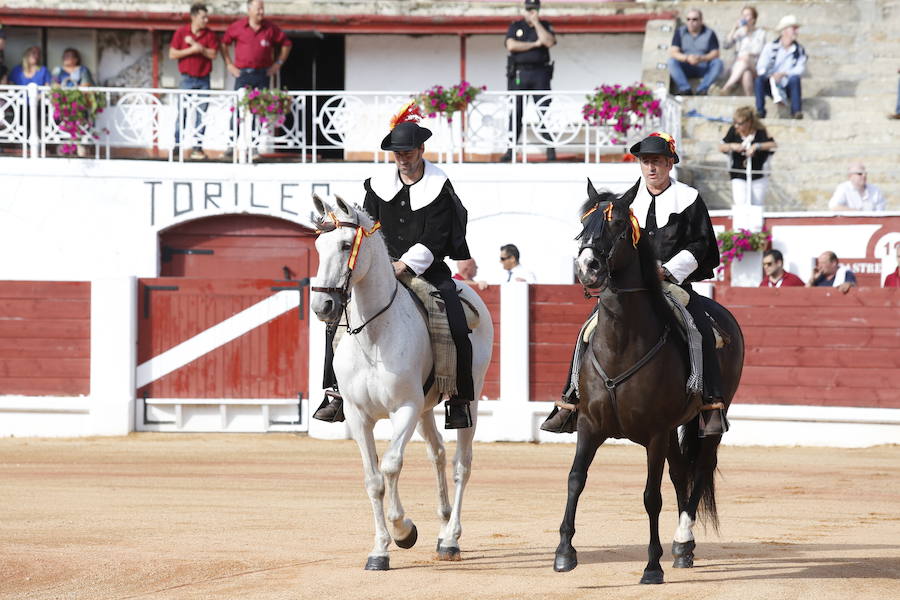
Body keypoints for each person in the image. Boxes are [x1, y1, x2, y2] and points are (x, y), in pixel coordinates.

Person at [542, 131, 726, 436]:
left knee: (699, 328)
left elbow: (702, 245)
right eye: (645, 162)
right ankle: (570, 401)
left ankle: (711, 402)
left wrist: (667, 270)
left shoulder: (689, 198)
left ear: (669, 163)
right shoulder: (624, 202)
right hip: (630, 288)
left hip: (671, 284)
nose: (650, 168)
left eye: (656, 161)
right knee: (587, 330)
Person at [314, 105, 475, 430]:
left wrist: (405, 263)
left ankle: (458, 399)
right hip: (380, 267)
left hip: (426, 269)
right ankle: (334, 393)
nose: (402, 157)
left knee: (455, 320)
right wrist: (382, 263)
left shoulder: (439, 187)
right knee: (338, 319)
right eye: (397, 152)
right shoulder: (377, 186)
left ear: (421, 150)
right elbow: (369, 229)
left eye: (408, 151)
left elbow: (438, 235)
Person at [502, 0, 557, 162]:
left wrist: (537, 23)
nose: (531, 12)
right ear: (524, 10)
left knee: (543, 111)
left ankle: (550, 149)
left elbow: (548, 42)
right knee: (516, 113)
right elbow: (511, 46)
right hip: (519, 74)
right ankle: (511, 150)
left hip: (540, 74)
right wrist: (534, 44)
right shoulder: (515, 26)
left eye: (534, 9)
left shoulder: (545, 25)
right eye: (529, 9)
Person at [170, 3, 219, 160]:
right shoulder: (181, 32)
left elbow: (213, 54)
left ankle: (197, 147)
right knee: (182, 113)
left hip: (204, 79)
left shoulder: (210, 35)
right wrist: (191, 49)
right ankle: (177, 145)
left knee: (201, 114)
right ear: (193, 17)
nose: (206, 20)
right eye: (203, 17)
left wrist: (200, 48)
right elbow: (172, 54)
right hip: (186, 79)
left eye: (207, 17)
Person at [221, 0, 292, 91]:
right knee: (241, 103)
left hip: (263, 74)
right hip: (243, 74)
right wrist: (229, 64)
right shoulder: (238, 27)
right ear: (249, 10)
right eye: (258, 9)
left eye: (262, 9)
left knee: (262, 104)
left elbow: (287, 44)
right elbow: (223, 43)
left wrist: (278, 64)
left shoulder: (270, 28)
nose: (261, 12)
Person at [718, 106, 777, 206]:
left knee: (757, 204)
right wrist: (733, 146)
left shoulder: (760, 131)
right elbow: (721, 147)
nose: (736, 126)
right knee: (740, 202)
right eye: (735, 122)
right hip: (738, 173)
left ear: (749, 122)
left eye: (740, 124)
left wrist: (756, 146)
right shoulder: (734, 131)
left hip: (758, 173)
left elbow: (773, 144)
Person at [755, 15, 806, 119]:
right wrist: (771, 77)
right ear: (784, 31)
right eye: (794, 28)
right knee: (759, 80)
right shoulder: (770, 47)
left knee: (795, 79)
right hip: (771, 83)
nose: (796, 31)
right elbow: (761, 66)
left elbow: (800, 69)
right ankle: (760, 111)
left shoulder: (799, 50)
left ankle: (796, 111)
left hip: (788, 85)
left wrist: (783, 74)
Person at [667, 8, 724, 96]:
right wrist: (687, 58)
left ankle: (702, 89)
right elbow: (674, 52)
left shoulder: (710, 33)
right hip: (686, 66)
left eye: (694, 19)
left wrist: (701, 58)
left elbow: (716, 53)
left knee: (718, 63)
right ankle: (685, 89)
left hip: (703, 67)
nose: (691, 22)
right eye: (688, 19)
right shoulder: (680, 32)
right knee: (671, 62)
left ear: (701, 21)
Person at [717, 5, 767, 96]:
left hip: (754, 65)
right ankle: (749, 98)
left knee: (746, 58)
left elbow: (758, 51)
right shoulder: (739, 32)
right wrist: (734, 29)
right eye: (743, 15)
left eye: (747, 15)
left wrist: (745, 56)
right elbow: (726, 45)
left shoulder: (761, 33)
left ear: (754, 19)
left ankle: (727, 86)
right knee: (746, 74)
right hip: (739, 66)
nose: (745, 18)